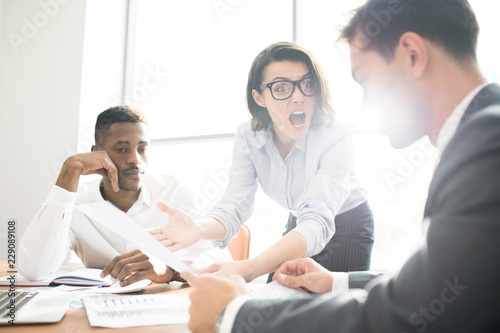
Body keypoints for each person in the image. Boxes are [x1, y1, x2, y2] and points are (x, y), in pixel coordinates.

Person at [182, 0, 500, 332]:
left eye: (363, 79)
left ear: (412, 55)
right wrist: (338, 282)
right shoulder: (480, 135)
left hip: (347, 221)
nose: (365, 104)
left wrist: (233, 314)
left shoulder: (485, 145)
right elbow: (443, 282)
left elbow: (407, 317)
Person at [151, 42, 375, 282]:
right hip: (301, 220)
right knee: (273, 297)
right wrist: (198, 229)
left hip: (348, 223)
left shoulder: (336, 136)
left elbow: (318, 219)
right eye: (281, 88)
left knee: (333, 309)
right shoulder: (248, 138)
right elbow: (234, 206)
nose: (299, 96)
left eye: (307, 84)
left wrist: (248, 269)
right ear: (259, 97)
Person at [18, 106, 231, 286]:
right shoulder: (77, 206)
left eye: (142, 149)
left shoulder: (174, 193)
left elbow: (221, 260)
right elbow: (33, 270)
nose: (135, 159)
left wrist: (169, 269)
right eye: (121, 149)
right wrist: (69, 171)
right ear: (96, 153)